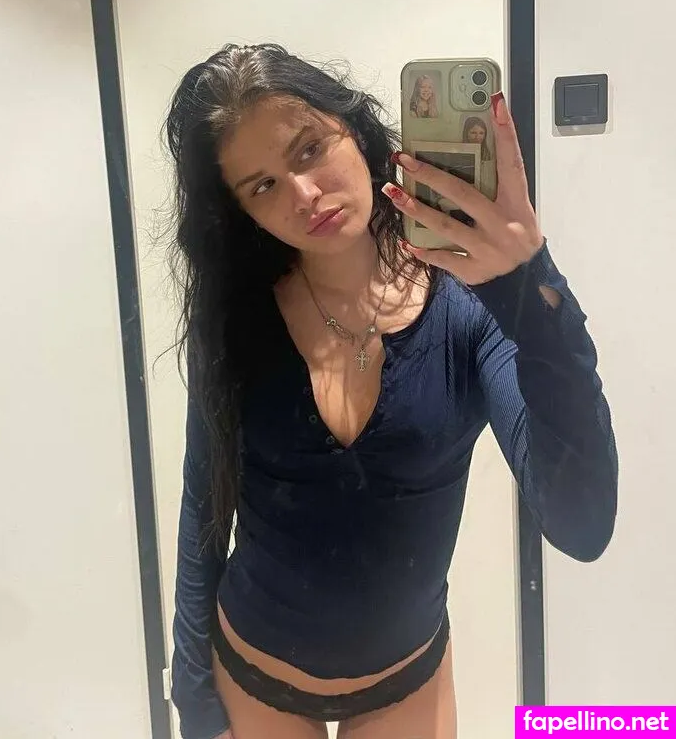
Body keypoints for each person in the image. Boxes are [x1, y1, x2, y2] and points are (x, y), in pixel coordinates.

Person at [164, 43, 618, 739]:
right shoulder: (235, 318)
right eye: (263, 186)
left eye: (309, 148)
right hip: (253, 673)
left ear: (354, 128)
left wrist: (530, 285)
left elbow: (581, 523)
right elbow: (204, 503)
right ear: (241, 211)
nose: (303, 195)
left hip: (407, 683)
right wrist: (195, 701)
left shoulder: (469, 309)